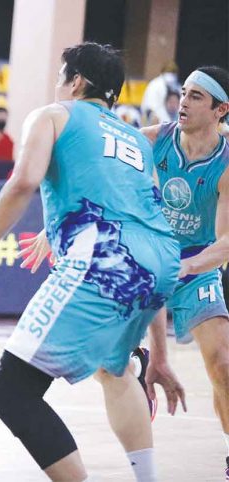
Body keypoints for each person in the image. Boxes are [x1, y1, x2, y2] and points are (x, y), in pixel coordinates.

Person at [0, 42, 181, 482]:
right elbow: (137, 218)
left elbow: (23, 183)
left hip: (103, 257)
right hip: (160, 260)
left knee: (11, 390)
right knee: (114, 369)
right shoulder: (134, 137)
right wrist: (57, 232)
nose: (57, 84)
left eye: (61, 76)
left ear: (76, 81)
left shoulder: (54, 114)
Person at [140, 66, 229, 480]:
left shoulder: (226, 162)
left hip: (196, 264)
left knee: (223, 365)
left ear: (220, 110)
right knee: (116, 362)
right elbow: (97, 170)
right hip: (151, 257)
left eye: (196, 97)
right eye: (185, 93)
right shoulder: (154, 138)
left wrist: (189, 266)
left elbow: (226, 242)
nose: (183, 103)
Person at [141, 61, 181, 125]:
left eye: (173, 72)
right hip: (153, 117)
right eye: (168, 72)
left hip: (173, 118)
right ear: (163, 72)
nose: (171, 75)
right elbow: (152, 107)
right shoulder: (155, 85)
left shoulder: (177, 86)